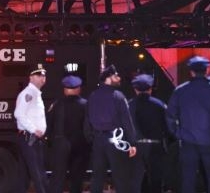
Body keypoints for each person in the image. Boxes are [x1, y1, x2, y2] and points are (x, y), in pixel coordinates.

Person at [166, 56, 210, 193]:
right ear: (206, 71)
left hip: (188, 141)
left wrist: (178, 134)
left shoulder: (180, 91)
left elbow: (170, 116)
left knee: (188, 179)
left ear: (191, 72)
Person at [85, 64, 138, 193]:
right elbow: (127, 121)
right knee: (120, 176)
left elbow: (87, 121)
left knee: (97, 177)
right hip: (116, 140)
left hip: (98, 139)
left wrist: (91, 138)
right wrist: (132, 143)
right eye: (116, 76)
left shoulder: (93, 96)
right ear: (109, 78)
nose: (119, 78)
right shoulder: (118, 96)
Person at [47, 75, 90, 193]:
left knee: (57, 178)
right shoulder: (85, 105)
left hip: (60, 145)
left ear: (65, 90)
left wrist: (51, 142)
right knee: (77, 179)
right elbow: (88, 127)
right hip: (80, 145)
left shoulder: (56, 105)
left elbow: (49, 125)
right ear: (78, 89)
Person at [128, 74, 169, 193]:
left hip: (136, 146)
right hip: (155, 146)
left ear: (135, 89)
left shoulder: (129, 105)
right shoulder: (159, 104)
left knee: (136, 179)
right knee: (156, 179)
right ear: (150, 88)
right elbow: (167, 126)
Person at [14, 64, 49, 193]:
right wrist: (34, 129)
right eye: (39, 75)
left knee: (24, 176)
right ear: (31, 77)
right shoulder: (28, 94)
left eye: (44, 75)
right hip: (30, 138)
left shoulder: (35, 93)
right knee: (38, 173)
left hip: (31, 139)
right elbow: (19, 114)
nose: (43, 78)